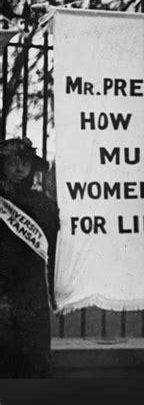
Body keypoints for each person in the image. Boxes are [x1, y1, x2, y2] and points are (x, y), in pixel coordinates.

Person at [0, 137, 59, 378]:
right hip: (1, 296)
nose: (19, 168)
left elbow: (54, 247)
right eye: (12, 161)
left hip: (32, 299)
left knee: (36, 365)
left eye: (25, 161)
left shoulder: (44, 205)